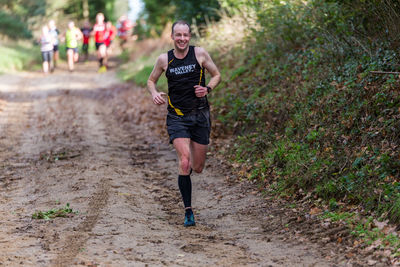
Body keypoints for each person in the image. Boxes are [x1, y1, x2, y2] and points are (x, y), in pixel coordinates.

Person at [147, 21, 221, 227]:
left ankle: (185, 174)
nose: (182, 39)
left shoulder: (200, 54)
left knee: (197, 167)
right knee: (185, 161)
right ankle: (188, 211)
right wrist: (154, 93)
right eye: (178, 35)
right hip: (177, 116)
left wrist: (208, 89)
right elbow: (151, 80)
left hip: (200, 115)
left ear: (189, 36)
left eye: (185, 35)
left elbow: (217, 75)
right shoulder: (165, 59)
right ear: (172, 36)